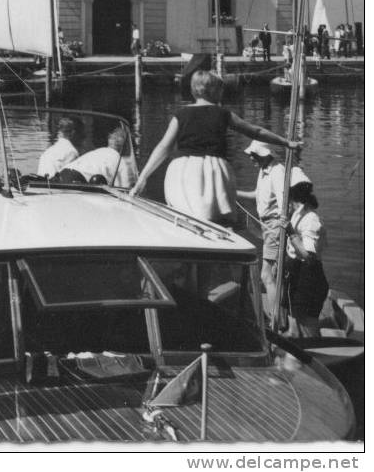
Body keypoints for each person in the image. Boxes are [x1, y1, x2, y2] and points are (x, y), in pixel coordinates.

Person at [129, 70, 300, 225]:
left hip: (183, 171)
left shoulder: (180, 115)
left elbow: (163, 148)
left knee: (185, 216)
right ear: (214, 91)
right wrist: (285, 142)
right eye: (221, 89)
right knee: (217, 219)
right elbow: (256, 131)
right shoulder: (223, 114)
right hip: (214, 171)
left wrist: (142, 179)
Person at [236, 140, 286, 318]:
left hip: (274, 225)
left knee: (266, 276)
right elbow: (257, 195)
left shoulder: (277, 171)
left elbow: (283, 203)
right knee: (271, 274)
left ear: (263, 154)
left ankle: (276, 319)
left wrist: (281, 228)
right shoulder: (263, 171)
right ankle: (278, 315)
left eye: (254, 154)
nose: (251, 157)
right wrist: (232, 192)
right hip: (266, 225)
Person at [282, 168, 328, 339]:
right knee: (293, 330)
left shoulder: (310, 219)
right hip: (296, 274)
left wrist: (290, 231)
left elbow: (308, 255)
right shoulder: (295, 214)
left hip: (310, 278)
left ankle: (315, 357)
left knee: (309, 332)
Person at [71, 127, 138, 187]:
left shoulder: (96, 152)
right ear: (124, 145)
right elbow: (124, 187)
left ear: (109, 140)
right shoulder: (119, 160)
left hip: (64, 177)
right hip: (78, 182)